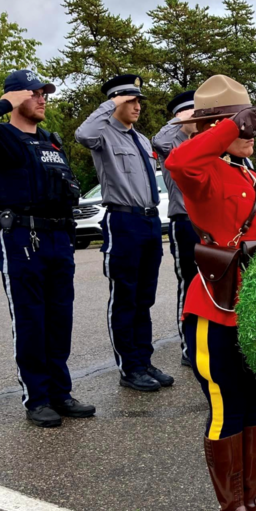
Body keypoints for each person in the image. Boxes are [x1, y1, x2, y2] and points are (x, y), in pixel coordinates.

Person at [166, 75, 256, 511]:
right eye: (240, 121)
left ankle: (252, 499)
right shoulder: (203, 171)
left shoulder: (255, 177)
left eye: (251, 120)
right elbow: (179, 158)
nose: (251, 128)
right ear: (215, 126)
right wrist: (225, 130)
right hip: (216, 311)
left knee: (255, 408)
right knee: (226, 409)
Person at [0, 69, 95, 428]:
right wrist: (4, 103)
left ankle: (61, 393)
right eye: (34, 93)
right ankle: (38, 398)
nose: (42, 98)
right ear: (17, 97)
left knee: (60, 319)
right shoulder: (1, 136)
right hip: (22, 240)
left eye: (44, 92)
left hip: (58, 238)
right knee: (32, 319)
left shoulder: (51, 141)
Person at [77, 75, 175, 393]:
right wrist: (111, 103)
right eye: (130, 100)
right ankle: (129, 367)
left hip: (148, 222)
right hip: (123, 222)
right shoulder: (104, 134)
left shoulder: (143, 140)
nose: (137, 106)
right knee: (125, 297)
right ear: (117, 101)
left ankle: (144, 361)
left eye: (138, 100)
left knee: (144, 298)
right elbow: (82, 133)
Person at [154, 90, 199, 368]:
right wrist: (179, 121)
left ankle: (208, 338)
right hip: (184, 221)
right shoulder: (172, 140)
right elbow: (158, 140)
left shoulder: (203, 140)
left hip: (209, 222)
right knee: (190, 283)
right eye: (195, 111)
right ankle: (188, 345)